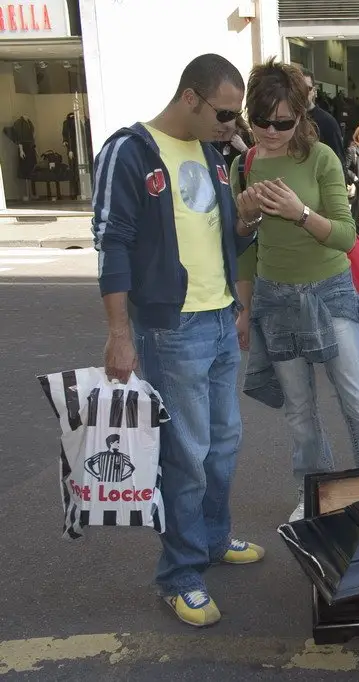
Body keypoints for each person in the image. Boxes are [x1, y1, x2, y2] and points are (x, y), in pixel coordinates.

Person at [92, 53, 263, 629]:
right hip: (172, 328)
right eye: (225, 113)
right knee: (185, 456)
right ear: (190, 97)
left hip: (216, 319)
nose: (232, 127)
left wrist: (245, 225)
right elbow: (111, 244)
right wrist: (120, 335)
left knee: (222, 446)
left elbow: (212, 234)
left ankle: (212, 539)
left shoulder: (212, 156)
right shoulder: (130, 151)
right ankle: (179, 573)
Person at [232, 59, 359, 523]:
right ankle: (317, 492)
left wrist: (299, 210)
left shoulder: (321, 157)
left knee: (357, 398)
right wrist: (244, 305)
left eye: (282, 121)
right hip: (273, 296)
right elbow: (245, 246)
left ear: (301, 115)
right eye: (260, 120)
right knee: (300, 410)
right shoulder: (242, 162)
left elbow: (347, 237)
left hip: (329, 292)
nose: (270, 130)